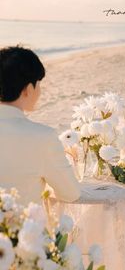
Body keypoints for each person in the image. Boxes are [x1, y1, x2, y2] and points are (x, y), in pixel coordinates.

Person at [0, 46, 81, 205]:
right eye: (38, 84)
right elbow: (70, 193)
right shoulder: (43, 137)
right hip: (21, 228)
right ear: (28, 89)